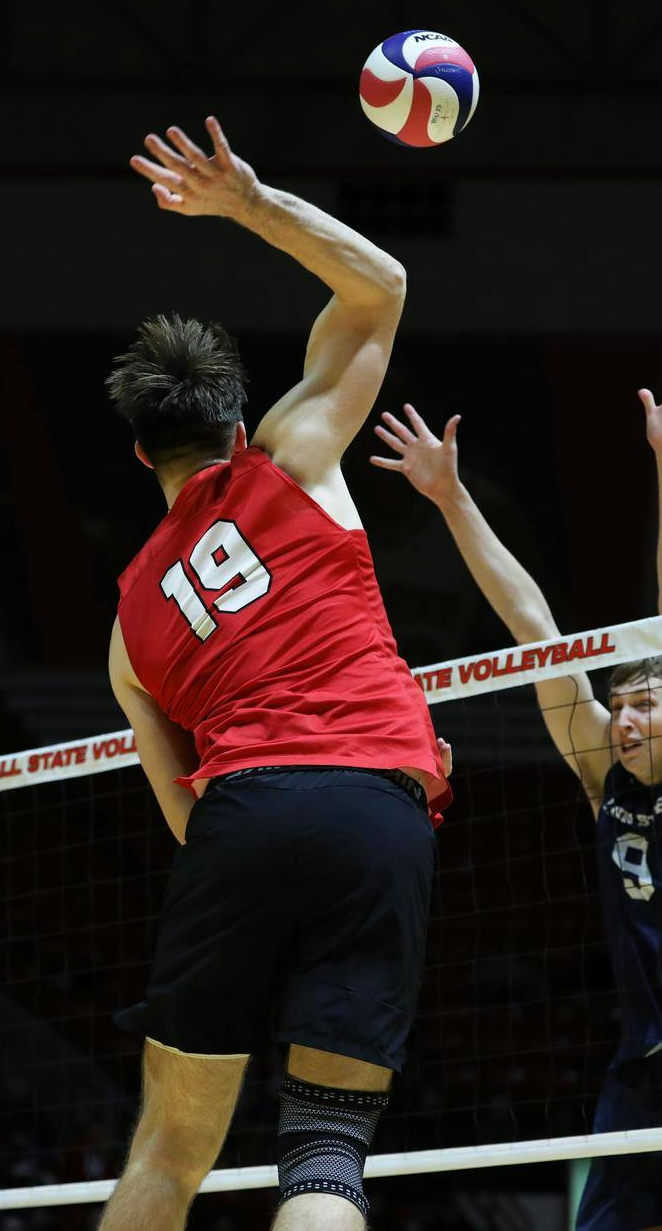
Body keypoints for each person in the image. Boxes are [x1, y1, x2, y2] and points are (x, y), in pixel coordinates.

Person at [101, 116, 452, 1231]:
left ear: (139, 456)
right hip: (375, 804)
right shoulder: (293, 456)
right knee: (322, 1152)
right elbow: (381, 286)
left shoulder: (125, 625)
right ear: (237, 424)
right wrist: (247, 201)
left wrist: (249, 858)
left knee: (166, 1153)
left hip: (241, 809)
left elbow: (177, 803)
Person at [370, 351, 662, 1231]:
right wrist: (452, 498)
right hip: (640, 1070)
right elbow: (532, 627)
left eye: (644, 704)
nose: (625, 720)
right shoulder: (601, 775)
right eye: (620, 706)